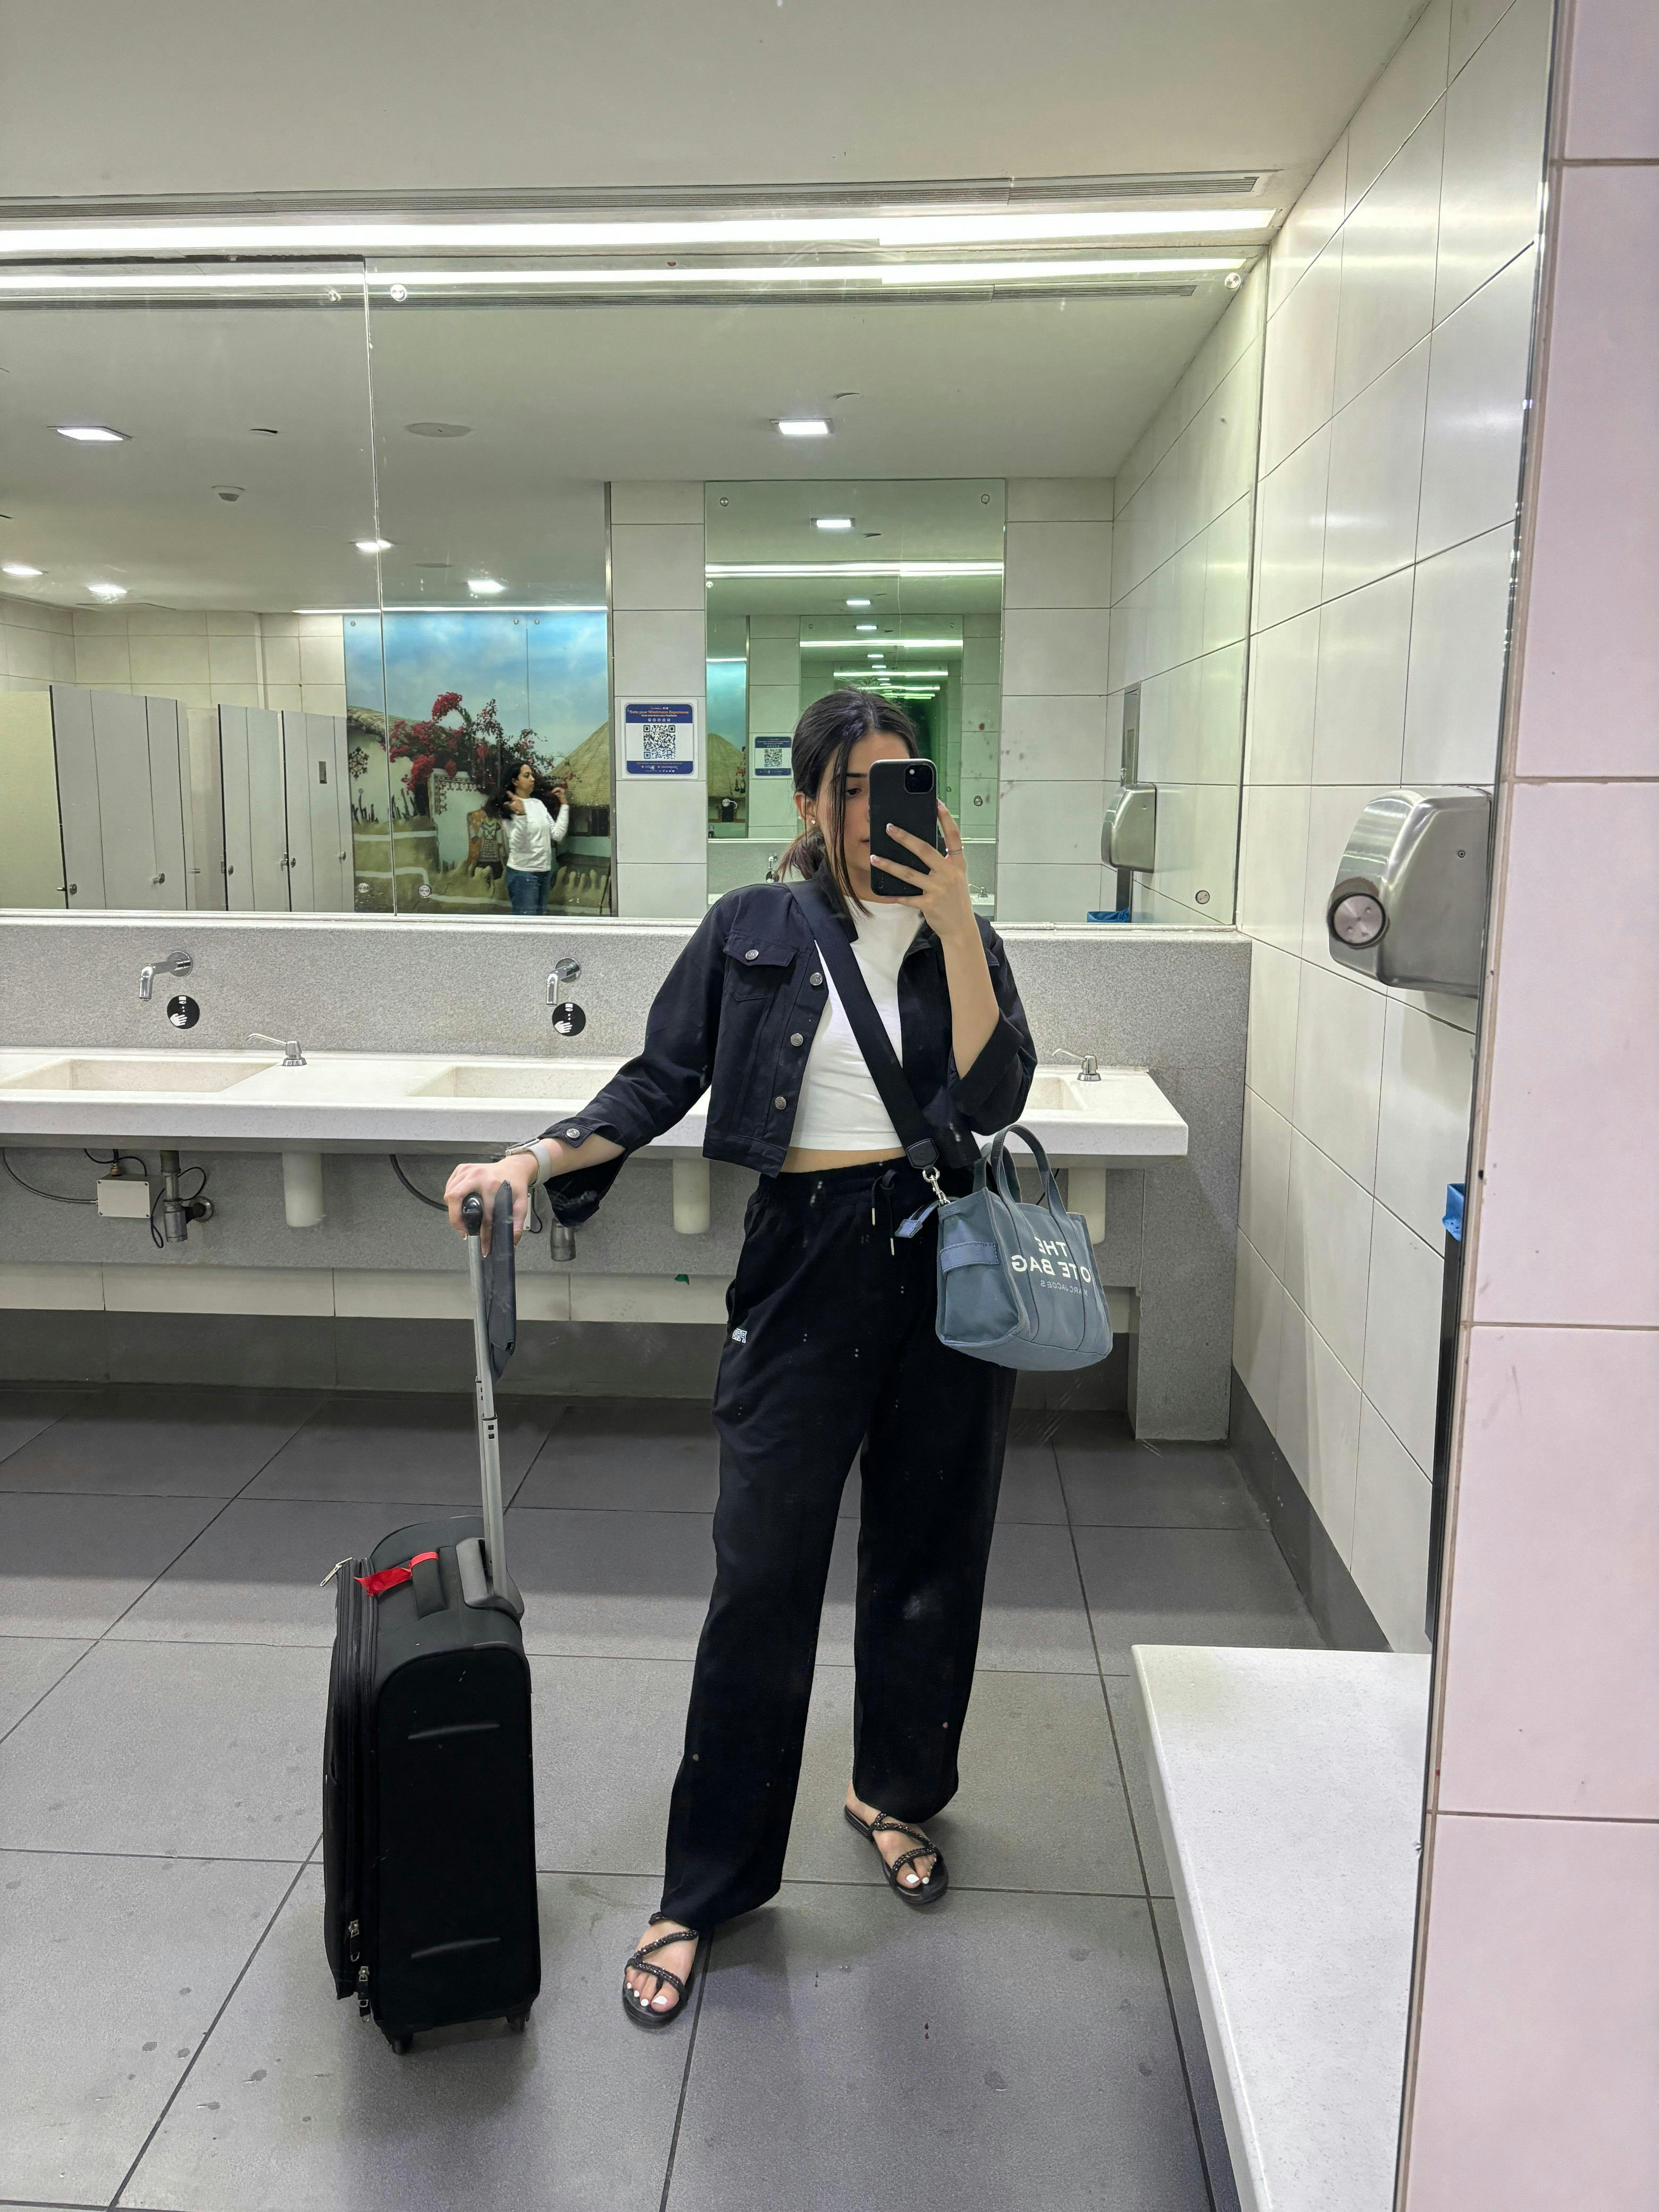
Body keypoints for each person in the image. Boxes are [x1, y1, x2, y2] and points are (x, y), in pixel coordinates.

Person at [445, 689, 1034, 2028]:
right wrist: (533, 1157)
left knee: (930, 1549)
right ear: (811, 804)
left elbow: (997, 1096)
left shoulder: (963, 932)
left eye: (901, 787)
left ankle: (892, 1789)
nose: (877, 814)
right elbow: (660, 1077)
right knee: (761, 1572)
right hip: (806, 1261)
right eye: (854, 789)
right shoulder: (749, 927)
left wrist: (954, 919)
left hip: (941, 1258)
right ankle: (704, 1887)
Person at [489, 763, 568, 915]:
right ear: (515, 781)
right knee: (526, 926)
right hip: (523, 874)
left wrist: (564, 805)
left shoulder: (538, 804)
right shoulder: (509, 806)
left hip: (544, 872)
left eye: (532, 775)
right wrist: (522, 815)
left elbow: (557, 834)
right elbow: (519, 843)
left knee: (538, 924)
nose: (532, 779)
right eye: (527, 776)